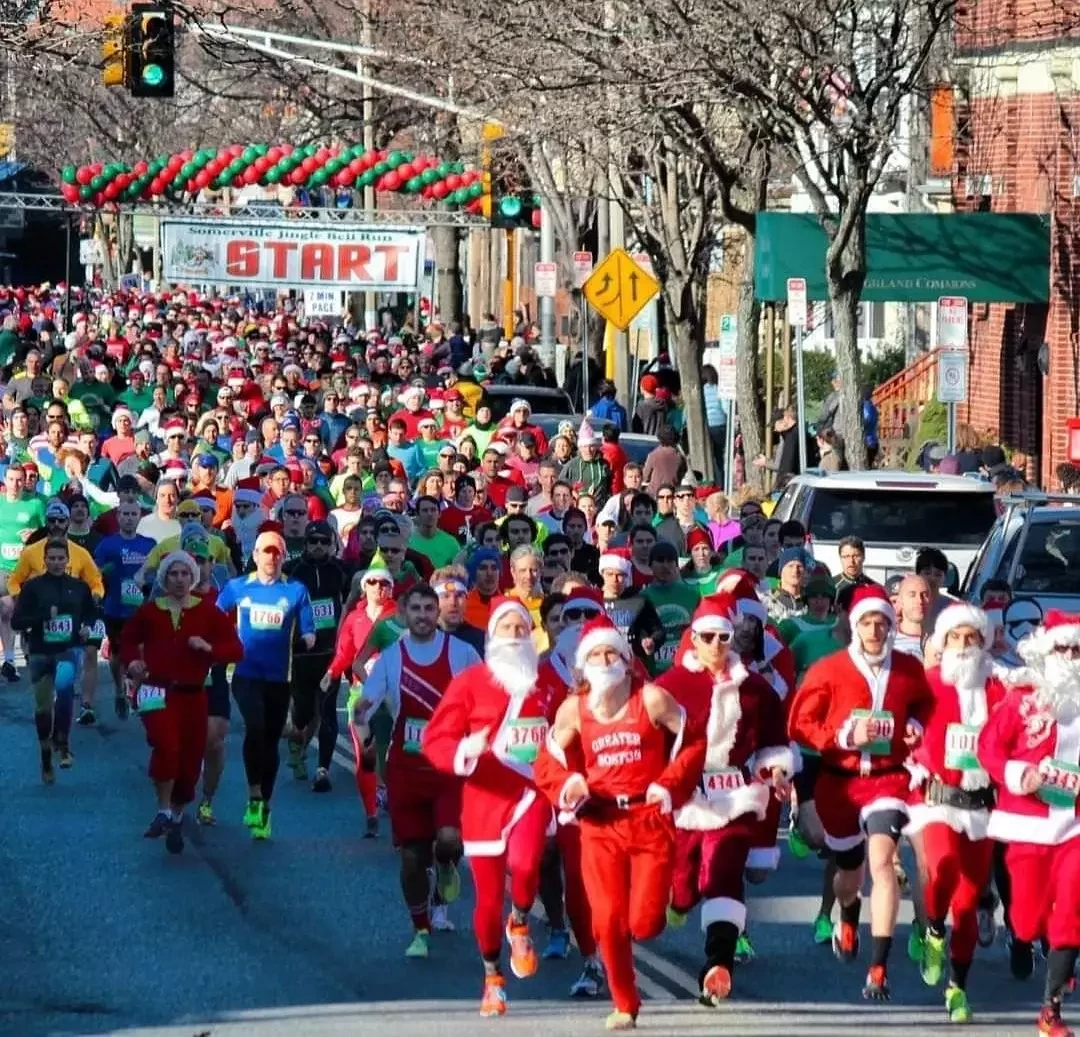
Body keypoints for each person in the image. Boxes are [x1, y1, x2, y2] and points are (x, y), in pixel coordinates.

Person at [534, 614, 706, 1031]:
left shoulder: (651, 699)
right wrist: (569, 785)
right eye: (596, 653)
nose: (605, 659)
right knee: (607, 919)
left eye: (612, 651)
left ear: (628, 659)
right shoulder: (573, 708)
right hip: (599, 822)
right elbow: (547, 762)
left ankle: (668, 896)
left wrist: (669, 783)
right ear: (583, 664)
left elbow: (692, 738)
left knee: (644, 923)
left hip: (647, 819)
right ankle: (625, 1002)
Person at [786, 584, 934, 1000]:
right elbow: (800, 723)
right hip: (840, 784)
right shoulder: (829, 670)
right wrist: (846, 734)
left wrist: (915, 726)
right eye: (867, 622)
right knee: (849, 878)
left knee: (883, 861)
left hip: (889, 779)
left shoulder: (908, 668)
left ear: (891, 625)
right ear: (854, 626)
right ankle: (847, 915)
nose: (875, 630)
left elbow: (925, 703)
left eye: (882, 623)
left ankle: (878, 966)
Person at [422, 599, 561, 1018]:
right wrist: (465, 749)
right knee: (485, 902)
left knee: (526, 865)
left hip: (532, 795)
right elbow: (435, 739)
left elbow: (573, 727)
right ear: (492, 637)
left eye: (522, 629)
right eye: (507, 629)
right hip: (484, 799)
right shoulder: (469, 683)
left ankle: (520, 919)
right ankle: (492, 978)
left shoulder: (549, 681)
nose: (516, 636)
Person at [659, 595, 793, 1003]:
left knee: (723, 872)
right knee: (682, 884)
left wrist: (776, 770)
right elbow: (649, 742)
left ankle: (718, 962)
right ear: (693, 639)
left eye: (723, 637)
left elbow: (774, 742)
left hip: (735, 796)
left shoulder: (755, 689)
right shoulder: (670, 686)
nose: (716, 645)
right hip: (686, 799)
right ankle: (680, 901)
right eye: (707, 637)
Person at [353, 584, 481, 957]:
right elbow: (368, 700)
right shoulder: (392, 658)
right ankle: (420, 929)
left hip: (449, 766)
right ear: (404, 614)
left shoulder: (462, 653)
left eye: (430, 608)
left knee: (448, 841)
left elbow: (486, 697)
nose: (423, 615)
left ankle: (445, 867)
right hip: (406, 767)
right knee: (411, 855)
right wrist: (362, 718)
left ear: (437, 612)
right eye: (416, 609)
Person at [978, 610, 1080, 1037]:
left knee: (1072, 909)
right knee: (1028, 915)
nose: (1071, 657)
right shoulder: (1022, 698)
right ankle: (1020, 938)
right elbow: (988, 748)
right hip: (1028, 823)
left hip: (1075, 825)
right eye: (1063, 648)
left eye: (1078, 649)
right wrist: (1022, 776)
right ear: (1045, 650)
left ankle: (1050, 1008)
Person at [904, 604, 1005, 1023]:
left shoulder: (999, 690)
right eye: (955, 638)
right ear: (941, 645)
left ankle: (957, 986)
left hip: (980, 806)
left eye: (971, 639)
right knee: (941, 868)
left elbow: (1023, 734)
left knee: (968, 903)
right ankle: (931, 930)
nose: (963, 647)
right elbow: (900, 722)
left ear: (984, 644)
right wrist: (910, 741)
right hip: (935, 799)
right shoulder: (925, 685)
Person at [120, 551, 243, 854]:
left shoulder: (208, 612)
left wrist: (209, 647)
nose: (179, 579)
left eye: (185, 574)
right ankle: (163, 810)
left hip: (193, 694)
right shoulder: (151, 611)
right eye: (173, 574)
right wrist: (133, 661)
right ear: (164, 578)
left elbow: (235, 650)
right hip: (155, 689)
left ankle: (175, 817)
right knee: (166, 745)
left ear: (193, 578)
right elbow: (126, 640)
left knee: (189, 762)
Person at [216, 529, 316, 840]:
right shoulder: (237, 587)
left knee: (271, 742)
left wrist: (308, 636)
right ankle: (253, 793)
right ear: (255, 556)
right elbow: (214, 616)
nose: (271, 558)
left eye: (277, 553)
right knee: (255, 727)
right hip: (246, 675)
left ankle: (265, 806)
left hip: (279, 678)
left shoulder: (295, 591)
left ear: (283, 557)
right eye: (266, 552)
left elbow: (308, 621)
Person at [11, 538, 98, 781]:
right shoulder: (32, 588)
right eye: (52, 558)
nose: (57, 563)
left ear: (68, 560)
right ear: (44, 560)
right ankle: (46, 755)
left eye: (61, 558)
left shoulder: (79, 587)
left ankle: (62, 741)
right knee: (42, 707)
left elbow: (92, 614)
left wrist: (87, 628)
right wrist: (41, 617)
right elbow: (17, 623)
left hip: (68, 649)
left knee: (65, 690)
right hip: (40, 652)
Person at [283, 519, 352, 791]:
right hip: (300, 654)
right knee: (302, 713)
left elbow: (350, 604)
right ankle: (296, 745)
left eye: (325, 541)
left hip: (330, 652)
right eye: (314, 541)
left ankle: (323, 769)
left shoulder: (341, 570)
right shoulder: (292, 570)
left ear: (332, 544)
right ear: (306, 543)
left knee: (327, 711)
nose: (319, 546)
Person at [94, 500, 155, 720]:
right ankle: (119, 690)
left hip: (141, 609)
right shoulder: (107, 545)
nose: (129, 518)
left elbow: (156, 574)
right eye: (125, 514)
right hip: (115, 607)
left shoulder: (149, 544)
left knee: (141, 651)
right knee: (118, 655)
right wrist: (103, 572)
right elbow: (95, 572)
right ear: (118, 517)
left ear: (139, 517)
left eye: (133, 514)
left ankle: (135, 689)